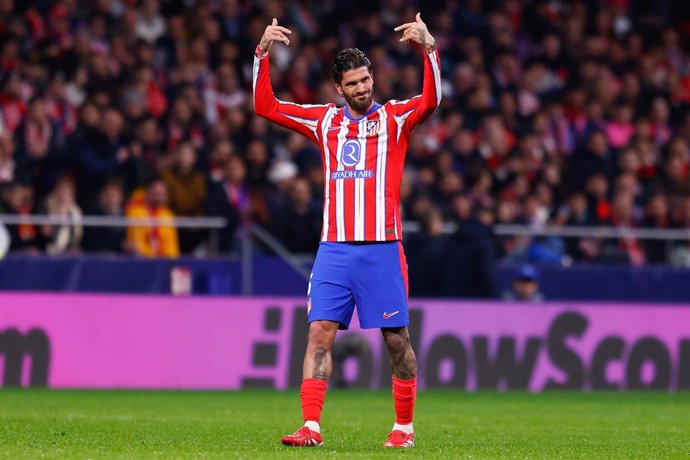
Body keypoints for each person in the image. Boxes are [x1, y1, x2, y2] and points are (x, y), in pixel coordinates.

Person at [253, 14, 441, 448]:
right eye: (352, 83)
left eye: (365, 79)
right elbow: (268, 107)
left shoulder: (394, 119)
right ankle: (311, 427)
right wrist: (261, 55)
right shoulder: (325, 122)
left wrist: (430, 49)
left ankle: (404, 428)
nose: (362, 88)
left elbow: (431, 101)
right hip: (334, 251)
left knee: (397, 343)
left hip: (382, 250)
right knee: (319, 334)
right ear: (338, 88)